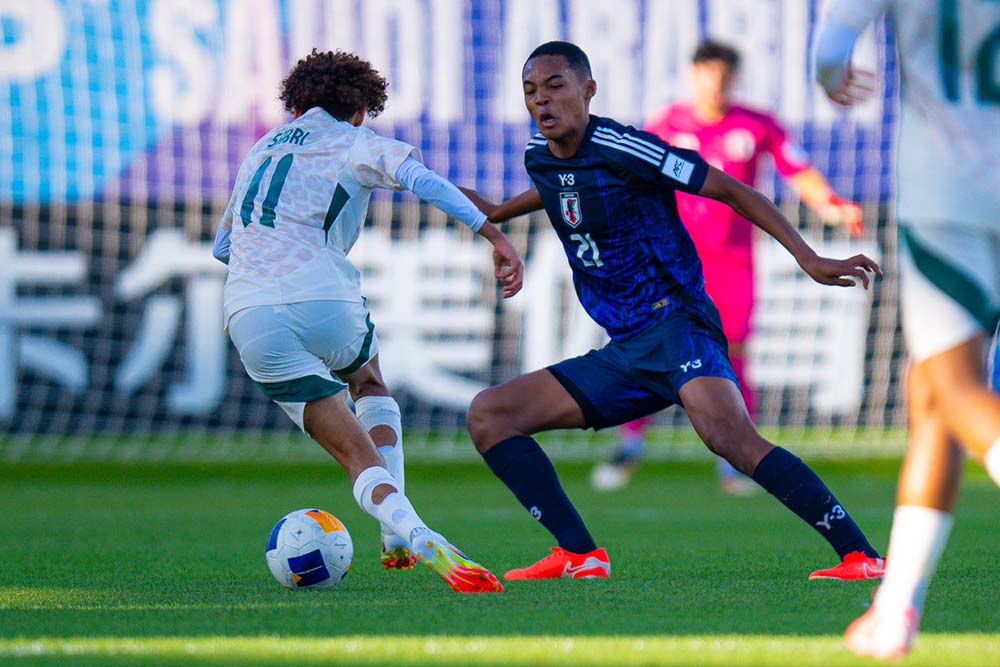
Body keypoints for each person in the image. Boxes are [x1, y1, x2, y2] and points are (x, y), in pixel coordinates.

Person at [462, 41, 885, 583]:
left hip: (676, 325)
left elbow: (732, 189)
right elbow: (561, 188)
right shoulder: (541, 158)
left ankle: (862, 555)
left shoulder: (626, 146)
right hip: (628, 349)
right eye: (530, 91)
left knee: (731, 439)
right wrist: (498, 215)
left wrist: (808, 256)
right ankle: (579, 553)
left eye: (555, 86)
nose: (542, 101)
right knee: (491, 415)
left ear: (588, 90)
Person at [213, 49, 523, 594]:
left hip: (249, 312)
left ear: (299, 101)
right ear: (360, 107)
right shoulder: (356, 141)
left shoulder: (259, 152)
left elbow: (223, 246)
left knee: (352, 452)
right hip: (323, 297)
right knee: (370, 384)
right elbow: (424, 181)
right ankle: (401, 533)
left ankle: (408, 529)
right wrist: (494, 235)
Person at [592, 40, 865, 495]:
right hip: (671, 262)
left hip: (733, 263)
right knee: (650, 347)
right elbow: (630, 179)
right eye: (706, 76)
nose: (714, 86)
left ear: (734, 79)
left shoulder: (758, 125)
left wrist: (831, 205)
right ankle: (631, 443)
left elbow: (798, 171)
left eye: (722, 78)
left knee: (734, 353)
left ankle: (738, 459)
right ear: (694, 76)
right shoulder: (666, 125)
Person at [815, 0, 1000, 659]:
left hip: (950, 197)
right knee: (931, 393)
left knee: (953, 386)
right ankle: (896, 608)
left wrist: (828, 79)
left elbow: (832, 46)